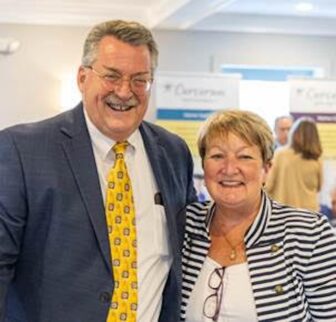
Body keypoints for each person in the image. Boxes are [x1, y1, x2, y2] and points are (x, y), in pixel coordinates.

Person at [0, 20, 197, 322]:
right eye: (111, 76)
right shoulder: (22, 150)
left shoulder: (173, 153)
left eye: (139, 80)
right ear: (82, 77)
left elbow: (189, 250)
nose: (124, 91)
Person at [180, 110, 336, 322]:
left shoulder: (310, 234)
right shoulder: (185, 225)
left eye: (244, 156)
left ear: (266, 169)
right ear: (204, 165)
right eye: (217, 156)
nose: (229, 169)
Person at [265, 117, 323, 212]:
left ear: (294, 133)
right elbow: (319, 187)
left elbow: (269, 185)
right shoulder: (317, 158)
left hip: (285, 213)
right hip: (310, 214)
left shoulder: (280, 154)